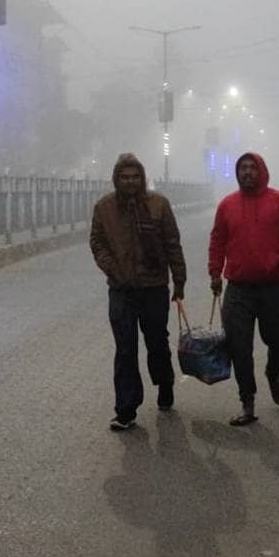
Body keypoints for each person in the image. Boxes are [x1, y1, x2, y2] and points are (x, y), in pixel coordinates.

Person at [208, 152, 279, 426]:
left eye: (253, 167)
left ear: (262, 171)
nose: (247, 172)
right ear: (237, 172)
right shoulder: (227, 205)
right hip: (238, 290)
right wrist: (215, 272)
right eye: (243, 168)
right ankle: (247, 403)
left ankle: (274, 373)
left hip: (272, 289)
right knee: (239, 347)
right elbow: (217, 240)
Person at [90, 153, 187, 431]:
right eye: (124, 177)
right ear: (116, 179)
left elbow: (172, 243)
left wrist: (179, 281)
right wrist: (112, 269)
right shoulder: (104, 208)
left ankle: (165, 383)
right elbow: (97, 243)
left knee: (157, 342)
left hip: (154, 287)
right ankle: (126, 409)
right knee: (125, 349)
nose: (130, 182)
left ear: (142, 178)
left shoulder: (159, 205)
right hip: (121, 290)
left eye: (135, 177)